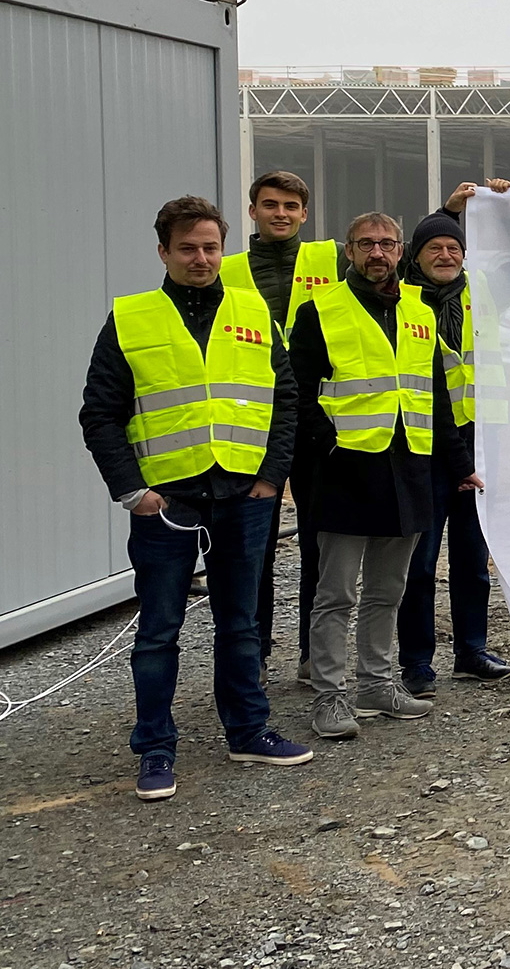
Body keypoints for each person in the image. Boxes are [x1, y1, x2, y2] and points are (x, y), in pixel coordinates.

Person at [78, 196, 314, 801]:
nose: (201, 258)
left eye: (211, 247)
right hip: (168, 502)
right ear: (164, 252)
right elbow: (100, 414)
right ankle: (156, 749)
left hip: (244, 493)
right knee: (159, 630)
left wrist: (271, 477)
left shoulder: (252, 311)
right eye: (187, 248)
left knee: (241, 624)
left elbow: (284, 399)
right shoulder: (131, 318)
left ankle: (248, 731)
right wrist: (132, 491)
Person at [290, 212, 474, 739]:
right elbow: (298, 392)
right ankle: (329, 695)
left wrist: (460, 465)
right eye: (366, 243)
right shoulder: (320, 311)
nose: (377, 252)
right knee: (336, 594)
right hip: (346, 469)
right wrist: (327, 444)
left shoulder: (419, 311)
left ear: (400, 252)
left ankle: (375, 684)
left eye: (387, 243)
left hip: (408, 466)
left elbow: (435, 393)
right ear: (349, 251)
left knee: (388, 590)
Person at [396, 181, 510, 696]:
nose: (445, 255)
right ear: (416, 258)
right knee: (419, 565)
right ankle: (416, 663)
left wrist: (508, 210)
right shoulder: (398, 297)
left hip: (477, 444)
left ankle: (472, 650)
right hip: (421, 450)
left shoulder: (483, 289)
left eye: (454, 247)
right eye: (434, 248)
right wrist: (447, 211)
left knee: (472, 559)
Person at [221, 171, 344, 679]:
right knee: (254, 549)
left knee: (318, 542)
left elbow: (402, 262)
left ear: (304, 213)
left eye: (291, 206)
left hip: (314, 420)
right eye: (270, 204)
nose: (281, 213)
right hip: (252, 422)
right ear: (252, 211)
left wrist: (451, 214)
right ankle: (255, 656)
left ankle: (314, 656)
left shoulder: (330, 259)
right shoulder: (226, 268)